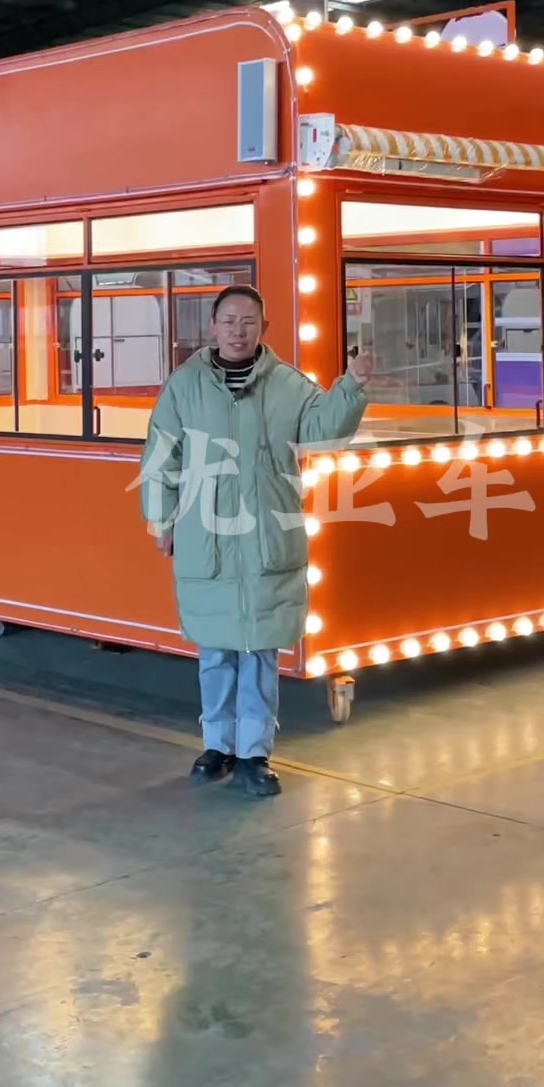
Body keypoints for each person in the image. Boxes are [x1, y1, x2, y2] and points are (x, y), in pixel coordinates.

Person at [139, 284, 373, 797]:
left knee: (259, 653)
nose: (238, 331)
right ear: (213, 326)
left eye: (248, 322)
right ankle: (217, 746)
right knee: (216, 651)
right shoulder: (185, 385)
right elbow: (161, 453)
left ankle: (254, 754)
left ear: (264, 328)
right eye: (229, 321)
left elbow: (324, 431)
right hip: (208, 537)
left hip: (267, 536)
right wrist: (160, 518)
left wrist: (350, 389)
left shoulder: (287, 385)